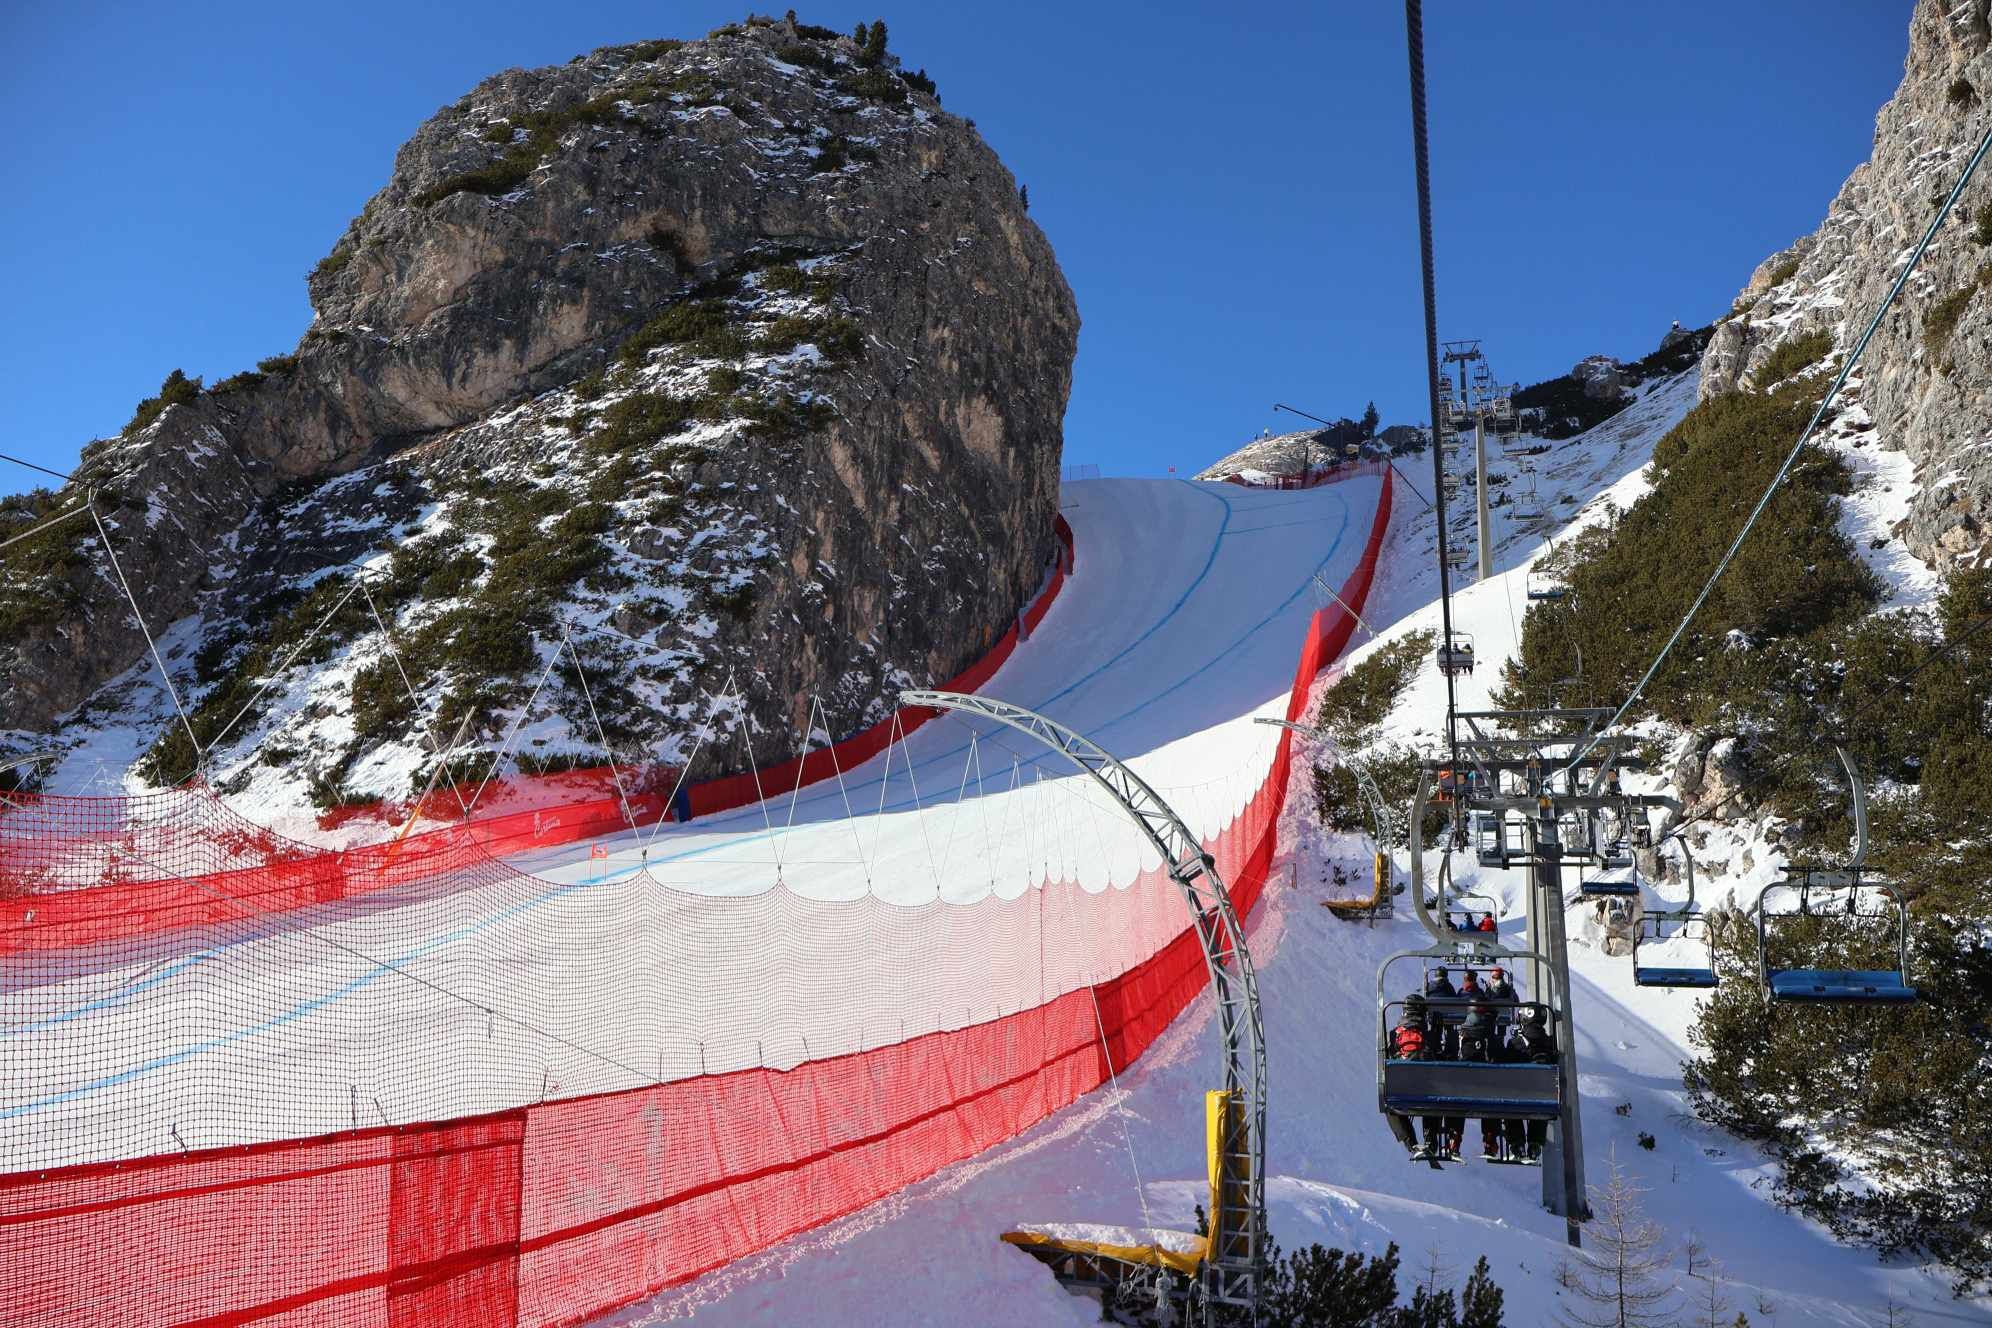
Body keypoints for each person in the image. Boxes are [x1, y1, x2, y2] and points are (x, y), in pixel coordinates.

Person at [1503, 1005, 1557, 1163]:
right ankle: (1534, 1144)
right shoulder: (1550, 1042)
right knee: (1539, 1109)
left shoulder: (1515, 1043)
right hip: (1543, 1094)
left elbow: (1506, 1065)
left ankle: (1517, 1143)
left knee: (1511, 1107)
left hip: (1518, 1093)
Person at [1457, 999, 1503, 1159]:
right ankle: (1490, 1142)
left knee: (1453, 1102)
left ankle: (1453, 1141)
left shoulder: (1462, 1033)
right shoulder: (1490, 1035)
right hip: (1486, 1087)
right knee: (1493, 1100)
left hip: (1463, 1085)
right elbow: (1499, 1057)